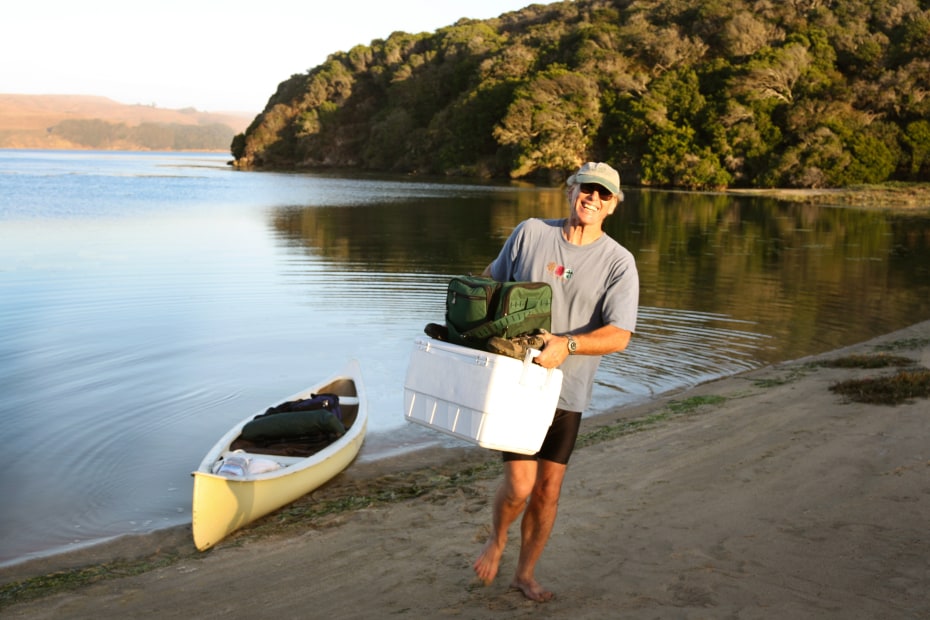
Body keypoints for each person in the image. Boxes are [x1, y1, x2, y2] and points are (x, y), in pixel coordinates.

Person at [472, 161, 639, 602]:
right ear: (570, 190)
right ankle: (497, 536)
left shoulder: (619, 263)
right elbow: (490, 281)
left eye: (604, 195)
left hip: (568, 392)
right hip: (516, 384)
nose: (593, 199)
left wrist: (567, 345)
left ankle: (524, 574)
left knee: (547, 492)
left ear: (613, 206)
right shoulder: (529, 233)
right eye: (587, 189)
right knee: (520, 486)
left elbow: (620, 334)